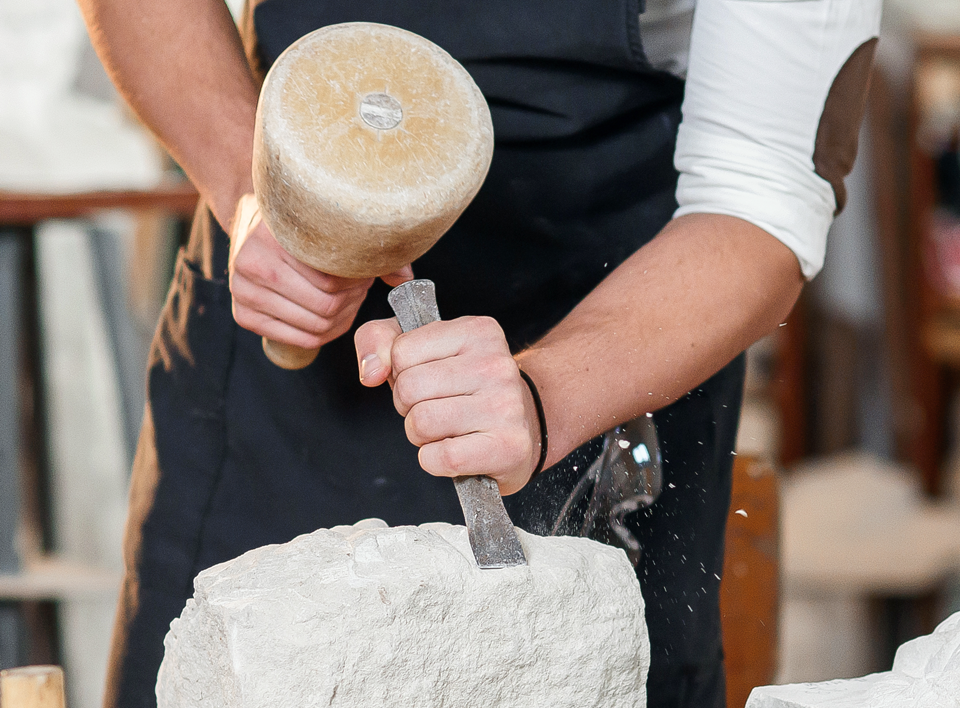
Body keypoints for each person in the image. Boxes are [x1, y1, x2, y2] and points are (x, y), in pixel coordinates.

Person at [77, 0, 882, 706]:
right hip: (274, 339)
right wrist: (257, 195)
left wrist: (546, 396)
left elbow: (757, 199)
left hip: (625, 322)